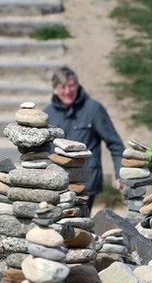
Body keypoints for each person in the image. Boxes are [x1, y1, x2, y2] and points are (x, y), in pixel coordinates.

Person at [43, 66, 125, 206]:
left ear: (77, 85)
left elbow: (115, 144)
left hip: (87, 184)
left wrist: (120, 173)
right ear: (55, 89)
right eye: (63, 87)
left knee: (80, 225)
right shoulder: (47, 114)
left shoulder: (93, 109)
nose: (68, 91)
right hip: (56, 183)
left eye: (71, 86)